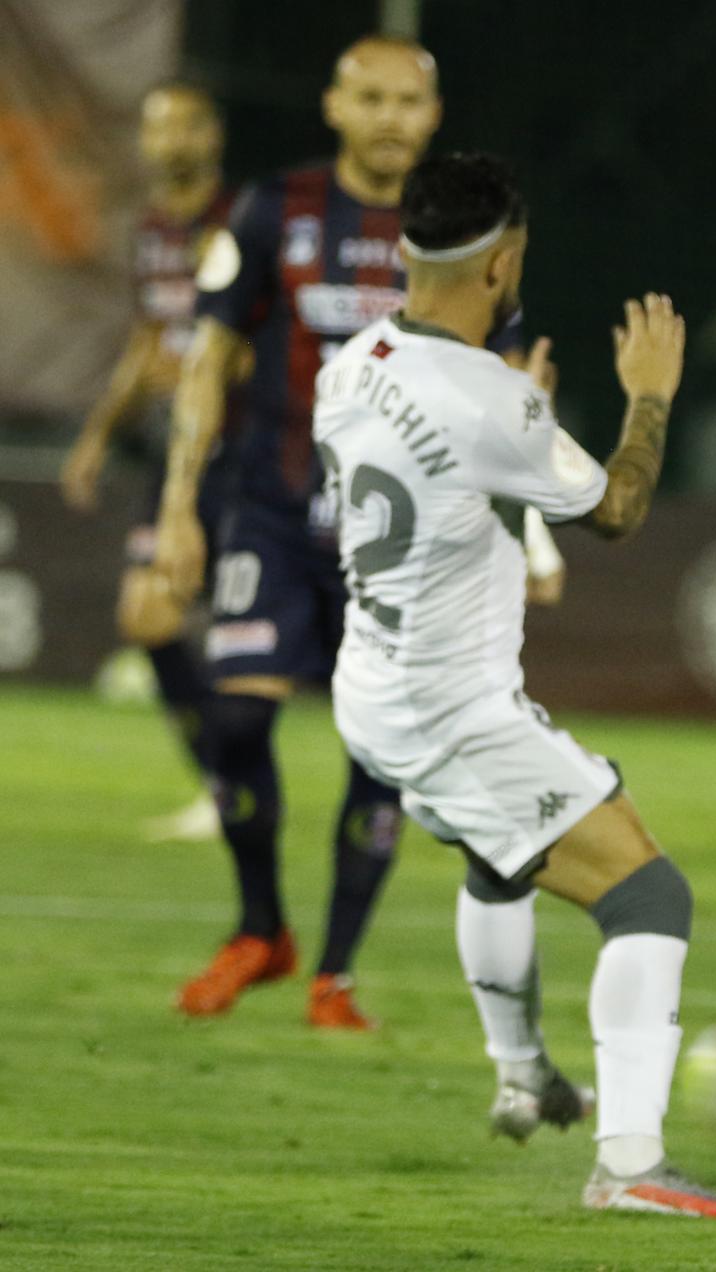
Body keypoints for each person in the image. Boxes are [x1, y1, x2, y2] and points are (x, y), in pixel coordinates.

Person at [314, 151, 716, 1218]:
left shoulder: (349, 362)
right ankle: (632, 1167)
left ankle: (523, 1074)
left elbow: (452, 467)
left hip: (370, 691)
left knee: (498, 861)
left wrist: (524, 420)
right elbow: (614, 511)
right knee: (649, 893)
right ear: (504, 262)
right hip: (451, 712)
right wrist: (648, 397)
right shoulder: (491, 405)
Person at [152, 36, 562, 1029]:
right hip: (275, 511)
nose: (387, 117)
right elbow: (207, 361)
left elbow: (506, 393)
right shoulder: (271, 210)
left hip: (405, 542)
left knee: (378, 752)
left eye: (405, 102)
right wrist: (175, 506)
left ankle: (333, 974)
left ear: (432, 116)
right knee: (239, 716)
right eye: (368, 97)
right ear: (334, 105)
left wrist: (535, 541)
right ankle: (262, 929)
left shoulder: (468, 233)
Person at [60, 81, 234, 843]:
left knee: (255, 632)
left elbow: (268, 339)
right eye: (158, 127)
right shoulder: (155, 231)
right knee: (147, 614)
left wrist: (212, 367)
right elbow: (147, 340)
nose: (172, 141)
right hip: (179, 450)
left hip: (249, 449)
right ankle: (225, 787)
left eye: (187, 125)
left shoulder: (242, 224)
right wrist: (98, 434)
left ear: (214, 136)